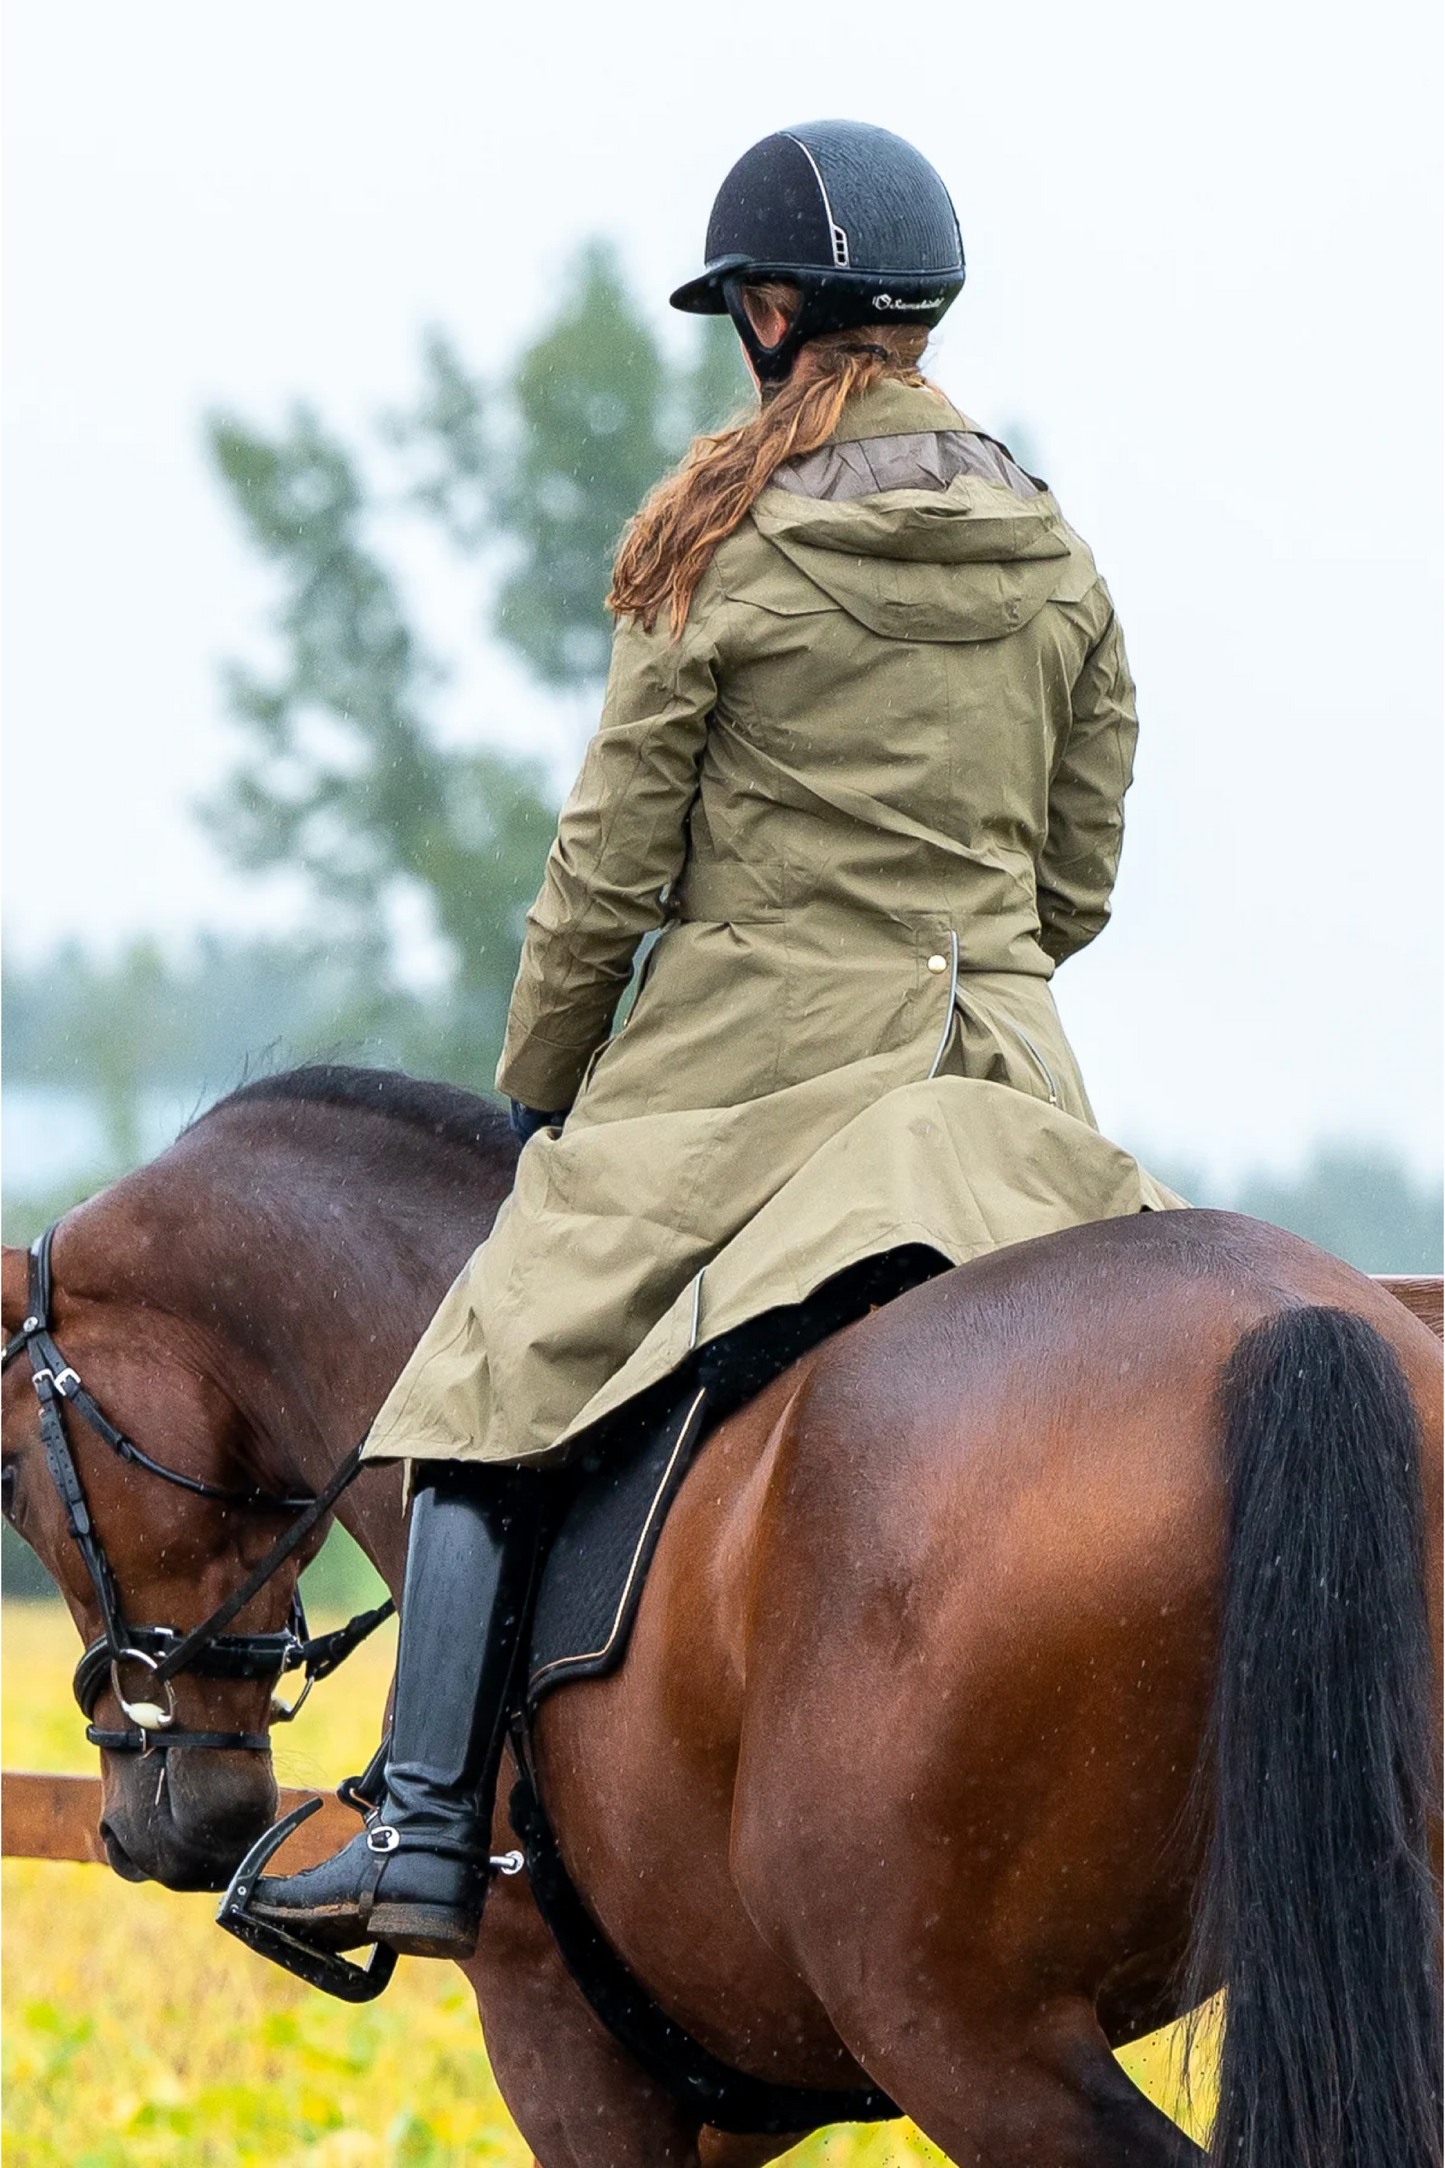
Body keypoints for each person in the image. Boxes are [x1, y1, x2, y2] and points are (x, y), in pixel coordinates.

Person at [245, 119, 1145, 1968]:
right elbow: (1076, 877)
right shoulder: (1053, 547)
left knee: (496, 1351)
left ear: (770, 313)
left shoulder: (719, 538)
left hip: (750, 1065)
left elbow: (611, 861)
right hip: (1007, 1091)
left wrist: (546, 1074)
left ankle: (420, 1831)